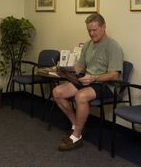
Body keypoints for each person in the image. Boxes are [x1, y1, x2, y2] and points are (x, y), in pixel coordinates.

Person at [52, 13, 123, 151]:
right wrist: (67, 70)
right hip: (88, 80)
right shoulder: (88, 45)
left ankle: (77, 136)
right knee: (57, 92)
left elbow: (114, 75)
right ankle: (76, 126)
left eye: (94, 30)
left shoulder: (113, 46)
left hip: (107, 85)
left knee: (80, 96)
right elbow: (80, 66)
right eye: (89, 30)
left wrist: (94, 78)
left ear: (103, 27)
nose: (91, 33)